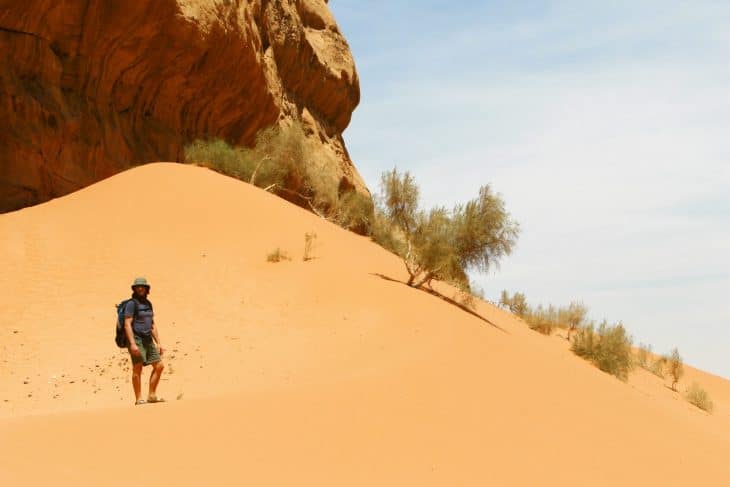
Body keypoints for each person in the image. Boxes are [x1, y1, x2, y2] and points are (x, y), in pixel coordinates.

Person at [124, 277, 165, 405]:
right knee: (138, 367)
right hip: (136, 339)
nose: (140, 288)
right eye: (138, 287)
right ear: (134, 289)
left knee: (159, 366)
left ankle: (152, 395)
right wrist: (132, 344)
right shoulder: (131, 304)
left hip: (148, 339)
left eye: (143, 286)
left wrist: (159, 342)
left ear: (147, 289)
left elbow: (152, 324)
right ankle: (138, 398)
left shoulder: (148, 304)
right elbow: (127, 324)